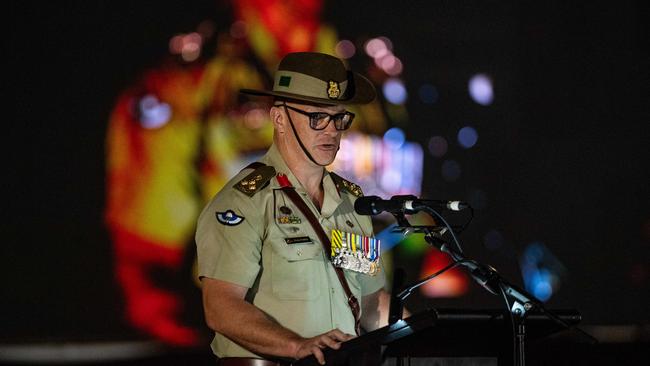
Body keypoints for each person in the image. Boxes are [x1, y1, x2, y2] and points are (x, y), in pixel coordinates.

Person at [196, 52, 393, 365]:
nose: (332, 130)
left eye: (339, 118)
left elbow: (372, 304)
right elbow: (220, 307)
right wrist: (297, 346)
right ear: (278, 118)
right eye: (317, 117)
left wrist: (431, 338)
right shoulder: (245, 202)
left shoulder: (350, 205)